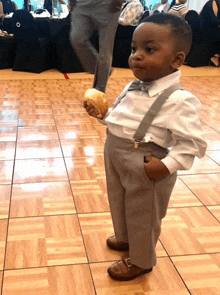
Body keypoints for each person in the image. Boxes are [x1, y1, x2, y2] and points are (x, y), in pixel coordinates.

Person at [84, 13, 207, 281]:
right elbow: (121, 117)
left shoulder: (179, 100)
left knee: (144, 213)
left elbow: (193, 142)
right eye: (134, 49)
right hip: (115, 151)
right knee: (119, 200)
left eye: (148, 50)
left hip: (146, 162)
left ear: (177, 60)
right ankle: (127, 239)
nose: (136, 56)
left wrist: (167, 165)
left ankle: (141, 261)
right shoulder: (132, 86)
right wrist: (103, 114)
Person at [69, 0, 125, 94]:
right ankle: (102, 70)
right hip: (82, 5)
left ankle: (98, 92)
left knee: (105, 50)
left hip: (108, 6)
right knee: (77, 39)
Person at [200, 0, 220, 65]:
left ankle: (215, 56)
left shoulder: (212, 3)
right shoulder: (212, 3)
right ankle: (215, 56)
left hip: (210, 38)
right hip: (210, 38)